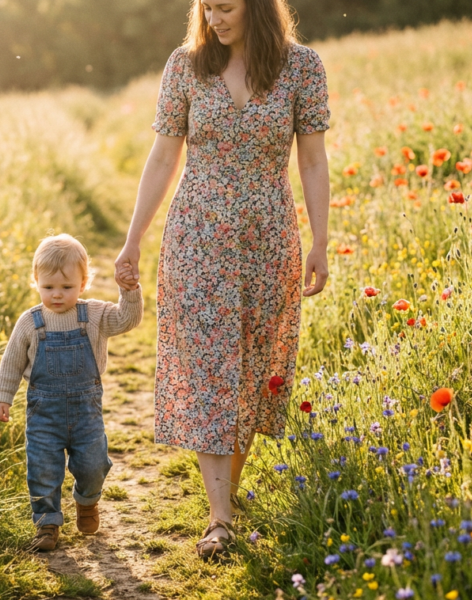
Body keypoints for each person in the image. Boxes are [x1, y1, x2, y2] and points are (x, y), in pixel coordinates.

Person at [114, 0, 331, 560]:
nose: (215, 18)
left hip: (268, 238)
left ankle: (225, 497)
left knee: (255, 370)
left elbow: (311, 159)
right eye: (206, 7)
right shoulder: (185, 67)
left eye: (226, 6)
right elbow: (163, 157)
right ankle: (219, 519)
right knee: (209, 366)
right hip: (197, 238)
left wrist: (321, 239)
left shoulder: (301, 67)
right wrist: (133, 239)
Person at [0, 233, 143, 551]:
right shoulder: (30, 323)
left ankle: (87, 500)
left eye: (66, 287)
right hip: (43, 415)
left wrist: (129, 291)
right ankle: (47, 524)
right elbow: (11, 362)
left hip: (85, 412)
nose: (57, 295)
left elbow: (128, 319)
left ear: (84, 283)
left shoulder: (95, 316)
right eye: (48, 288)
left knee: (93, 464)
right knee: (42, 469)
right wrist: (2, 397)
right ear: (36, 282)